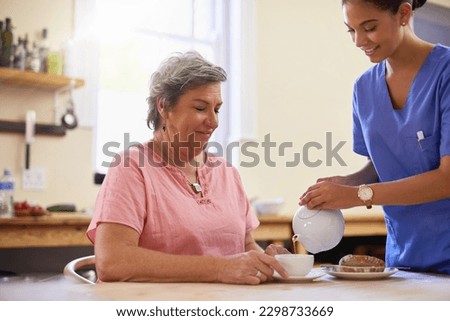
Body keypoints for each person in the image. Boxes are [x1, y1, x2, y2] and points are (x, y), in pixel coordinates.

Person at [87, 51, 289, 284]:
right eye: (201, 108)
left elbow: (244, 246)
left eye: (217, 109)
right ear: (164, 106)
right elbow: (113, 262)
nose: (213, 122)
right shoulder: (132, 167)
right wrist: (219, 268)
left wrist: (265, 261)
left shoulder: (226, 172)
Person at [299, 0, 450, 274]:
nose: (359, 41)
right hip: (405, 257)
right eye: (351, 30)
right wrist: (348, 183)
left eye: (369, 27)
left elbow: (447, 179)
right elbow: (386, 164)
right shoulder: (364, 89)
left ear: (403, 14)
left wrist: (357, 195)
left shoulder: (446, 74)